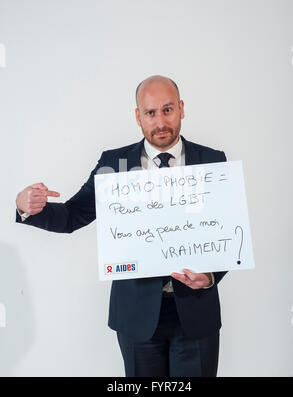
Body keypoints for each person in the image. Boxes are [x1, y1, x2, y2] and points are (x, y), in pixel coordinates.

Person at [15, 75, 227, 377]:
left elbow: (226, 234)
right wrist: (28, 208)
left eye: (167, 110)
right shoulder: (114, 164)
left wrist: (209, 276)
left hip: (195, 312)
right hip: (137, 315)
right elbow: (74, 215)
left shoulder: (213, 161)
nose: (160, 121)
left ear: (181, 108)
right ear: (138, 117)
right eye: (150, 113)